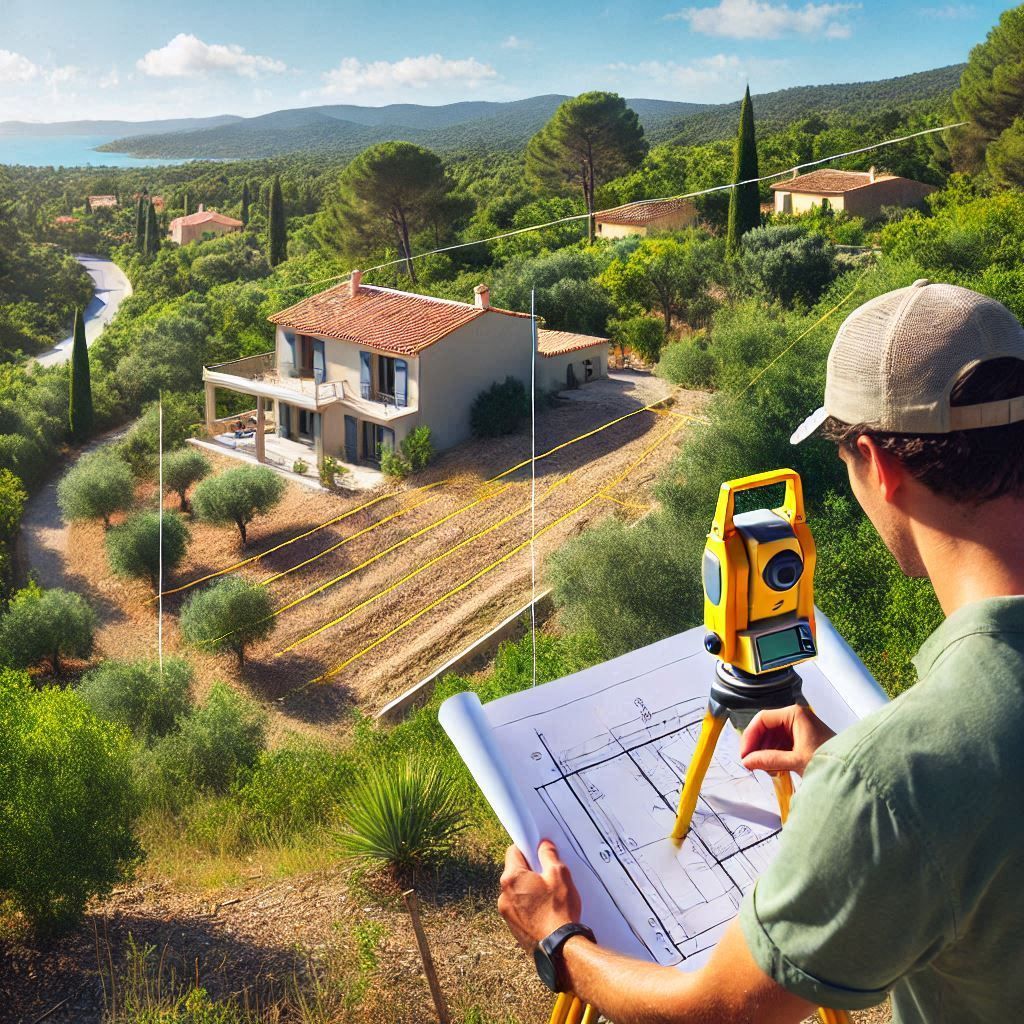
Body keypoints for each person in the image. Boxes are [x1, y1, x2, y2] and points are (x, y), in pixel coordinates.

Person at [497, 280, 1024, 1023]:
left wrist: (558, 942)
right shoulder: (909, 780)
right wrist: (869, 782)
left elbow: (718, 1013)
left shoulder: (901, 780)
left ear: (877, 464)